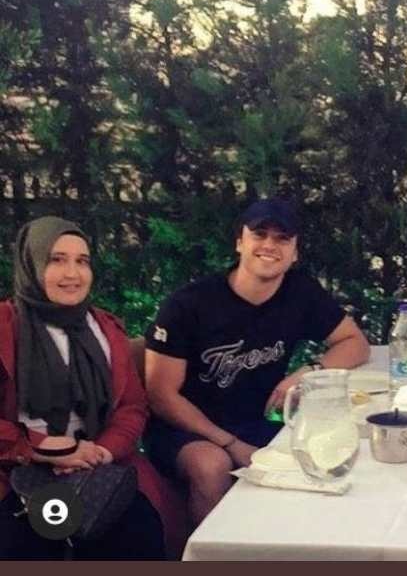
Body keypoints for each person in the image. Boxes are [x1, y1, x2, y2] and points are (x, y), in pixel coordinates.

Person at [143, 197, 370, 525]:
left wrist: (309, 373)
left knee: (331, 448)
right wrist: (230, 443)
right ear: (240, 242)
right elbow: (161, 395)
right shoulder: (189, 304)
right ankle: (205, 551)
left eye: (282, 238)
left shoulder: (299, 292)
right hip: (187, 428)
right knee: (212, 466)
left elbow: (355, 343)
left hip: (256, 420)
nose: (269, 245)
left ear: (295, 252)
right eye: (259, 234)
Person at [0, 217, 168, 560]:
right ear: (32, 263)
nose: (73, 274)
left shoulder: (106, 329)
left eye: (82, 261)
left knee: (140, 530)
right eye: (57, 260)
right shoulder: (4, 327)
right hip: (14, 468)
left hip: (96, 467)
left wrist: (100, 452)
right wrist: (41, 447)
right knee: (21, 542)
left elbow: (132, 407)